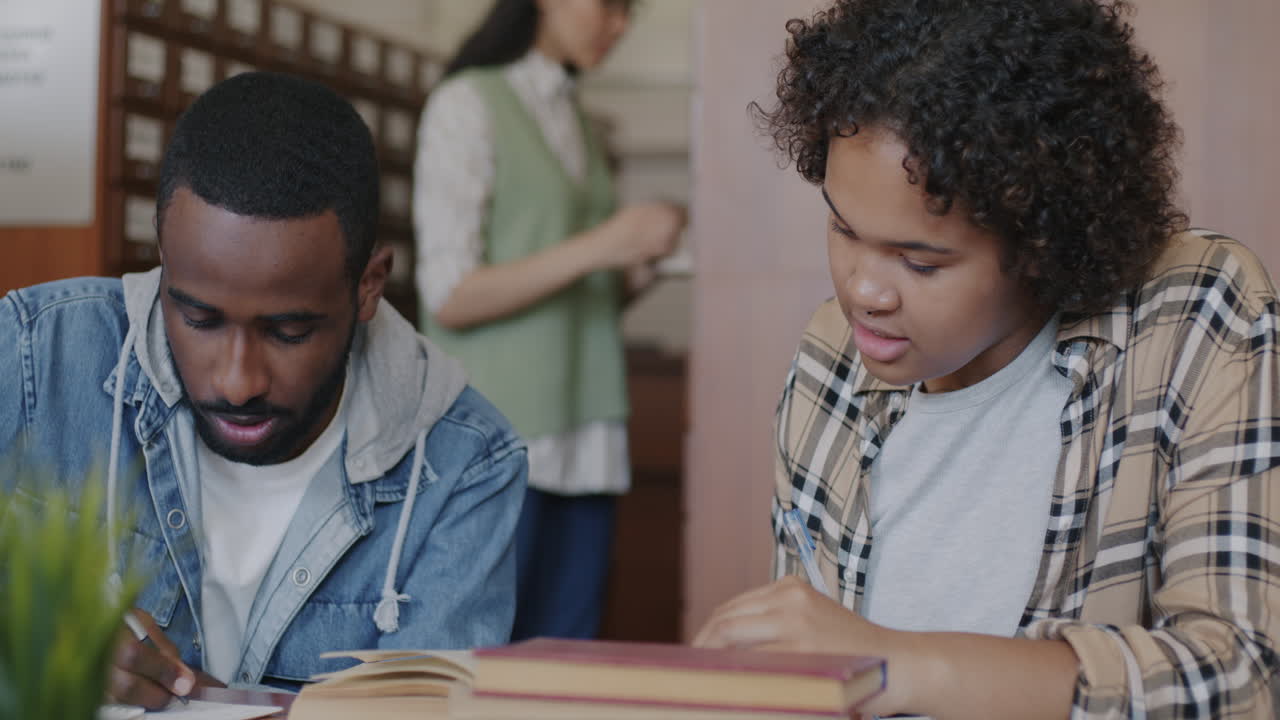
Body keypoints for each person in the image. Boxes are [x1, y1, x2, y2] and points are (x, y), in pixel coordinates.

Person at [692, 1, 1280, 718]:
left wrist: (892, 662)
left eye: (921, 262)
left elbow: (1243, 679)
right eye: (844, 230)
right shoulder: (829, 360)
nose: (863, 293)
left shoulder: (1192, 316)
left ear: (1040, 240)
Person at [0, 72, 526, 708]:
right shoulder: (33, 354)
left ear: (369, 284)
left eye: (288, 330)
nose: (237, 381)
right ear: (163, 258)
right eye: (198, 318)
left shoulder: (466, 467)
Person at [413, 0, 686, 641]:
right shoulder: (465, 104)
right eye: (608, 7)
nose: (618, 27)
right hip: (505, 436)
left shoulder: (578, 120)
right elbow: (450, 293)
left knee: (567, 662)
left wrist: (634, 268)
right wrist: (607, 242)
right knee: (485, 657)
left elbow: (577, 294)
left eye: (629, 14)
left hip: (588, 435)